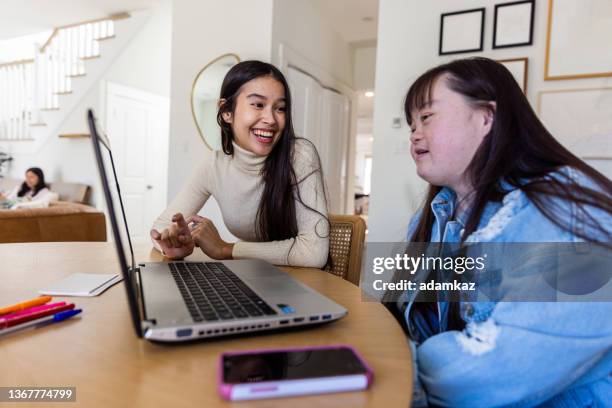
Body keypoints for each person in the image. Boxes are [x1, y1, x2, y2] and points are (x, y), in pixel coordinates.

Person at [394, 57, 612, 406]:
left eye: (427, 116)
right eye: (411, 124)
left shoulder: (568, 214)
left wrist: (395, 364)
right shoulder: (435, 214)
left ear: (486, 117)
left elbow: (489, 373)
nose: (414, 133)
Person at [151, 60, 329, 268]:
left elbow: (313, 253)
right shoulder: (214, 165)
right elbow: (161, 227)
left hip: (302, 282)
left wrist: (226, 249)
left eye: (280, 108)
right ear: (227, 111)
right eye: (258, 105)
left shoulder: (299, 156)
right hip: (251, 275)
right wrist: (172, 243)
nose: (271, 119)